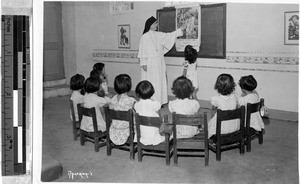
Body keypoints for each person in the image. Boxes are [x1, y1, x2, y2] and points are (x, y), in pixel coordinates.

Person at [138, 16, 184, 106]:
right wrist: (143, 63)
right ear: (150, 25)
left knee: (159, 82)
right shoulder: (144, 37)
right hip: (149, 64)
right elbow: (141, 51)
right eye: (155, 23)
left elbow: (169, 36)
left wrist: (179, 30)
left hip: (159, 62)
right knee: (151, 82)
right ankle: (150, 101)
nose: (157, 25)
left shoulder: (158, 34)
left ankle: (159, 101)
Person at [208, 73, 239, 138]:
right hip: (234, 127)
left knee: (209, 126)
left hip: (221, 129)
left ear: (217, 86)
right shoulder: (234, 97)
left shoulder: (215, 99)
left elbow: (213, 113)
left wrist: (211, 122)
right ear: (232, 86)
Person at [134, 80, 165, 145]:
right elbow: (160, 117)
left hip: (141, 136)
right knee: (164, 121)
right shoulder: (156, 104)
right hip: (154, 136)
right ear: (152, 92)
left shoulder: (136, 105)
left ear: (137, 93)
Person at [109, 74, 136, 145]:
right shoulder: (131, 100)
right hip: (127, 130)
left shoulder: (112, 99)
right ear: (129, 86)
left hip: (114, 129)